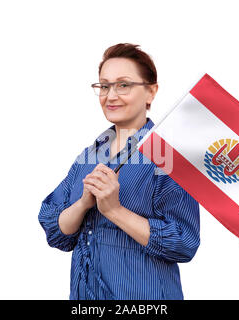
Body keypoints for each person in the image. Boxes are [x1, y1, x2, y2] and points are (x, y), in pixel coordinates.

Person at [38, 43, 200, 300]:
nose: (110, 96)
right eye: (104, 86)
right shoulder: (88, 157)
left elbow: (184, 243)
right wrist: (82, 204)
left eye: (123, 85)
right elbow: (56, 231)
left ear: (151, 92)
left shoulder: (169, 158)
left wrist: (114, 210)